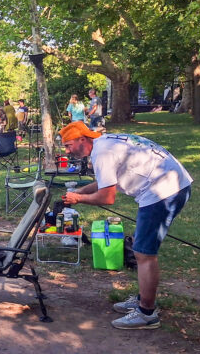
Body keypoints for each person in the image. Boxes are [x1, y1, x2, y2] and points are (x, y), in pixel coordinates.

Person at [60, 122, 192, 330]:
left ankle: (146, 313)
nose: (67, 151)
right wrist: (80, 192)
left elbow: (107, 196)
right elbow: (106, 182)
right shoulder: (104, 144)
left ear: (82, 140)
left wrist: (78, 199)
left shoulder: (101, 153)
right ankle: (142, 298)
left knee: (143, 253)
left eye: (68, 145)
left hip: (163, 190)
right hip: (170, 183)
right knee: (142, 249)